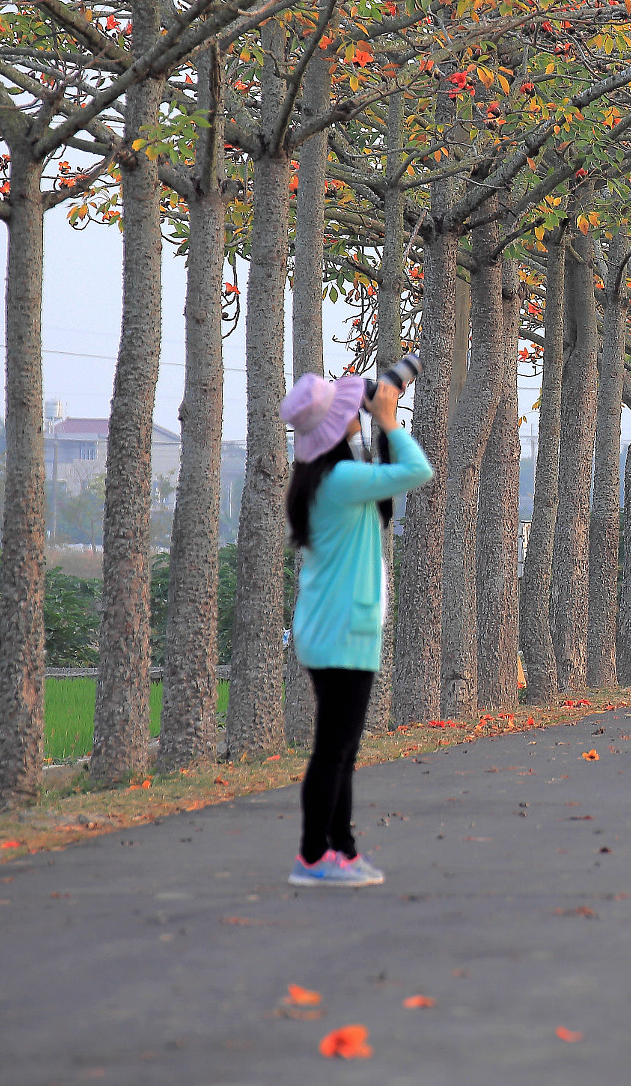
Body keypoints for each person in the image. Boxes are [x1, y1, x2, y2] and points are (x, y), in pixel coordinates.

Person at [280, 371, 434, 889]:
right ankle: (312, 855)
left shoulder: (326, 478)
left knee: (341, 749)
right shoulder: (342, 483)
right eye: (350, 410)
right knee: (334, 749)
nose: (357, 414)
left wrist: (378, 427)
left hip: (334, 628)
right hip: (344, 630)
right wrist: (388, 419)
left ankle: (340, 850)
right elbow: (417, 470)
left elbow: (384, 497)